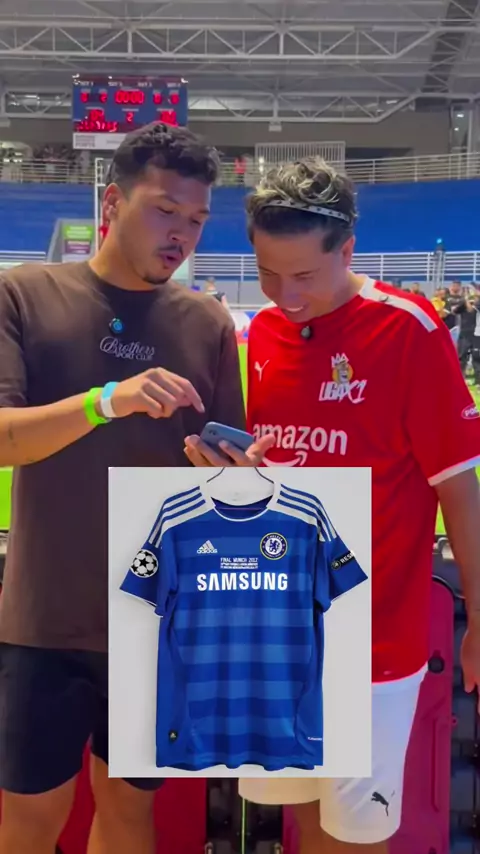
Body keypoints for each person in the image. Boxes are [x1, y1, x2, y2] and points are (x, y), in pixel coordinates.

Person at [184, 158, 480, 854]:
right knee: (306, 825)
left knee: (355, 835)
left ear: (346, 250)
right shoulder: (265, 335)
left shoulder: (408, 330)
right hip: (277, 635)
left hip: (374, 642)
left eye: (304, 276)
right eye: (267, 273)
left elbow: (460, 491)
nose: (285, 296)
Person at [0, 122, 272, 854]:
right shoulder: (24, 294)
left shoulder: (206, 322)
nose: (181, 233)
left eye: (196, 220)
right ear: (113, 204)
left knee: (128, 813)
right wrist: (105, 401)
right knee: (29, 821)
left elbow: (224, 474)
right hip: (45, 621)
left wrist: (238, 476)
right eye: (164, 210)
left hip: (157, 617)